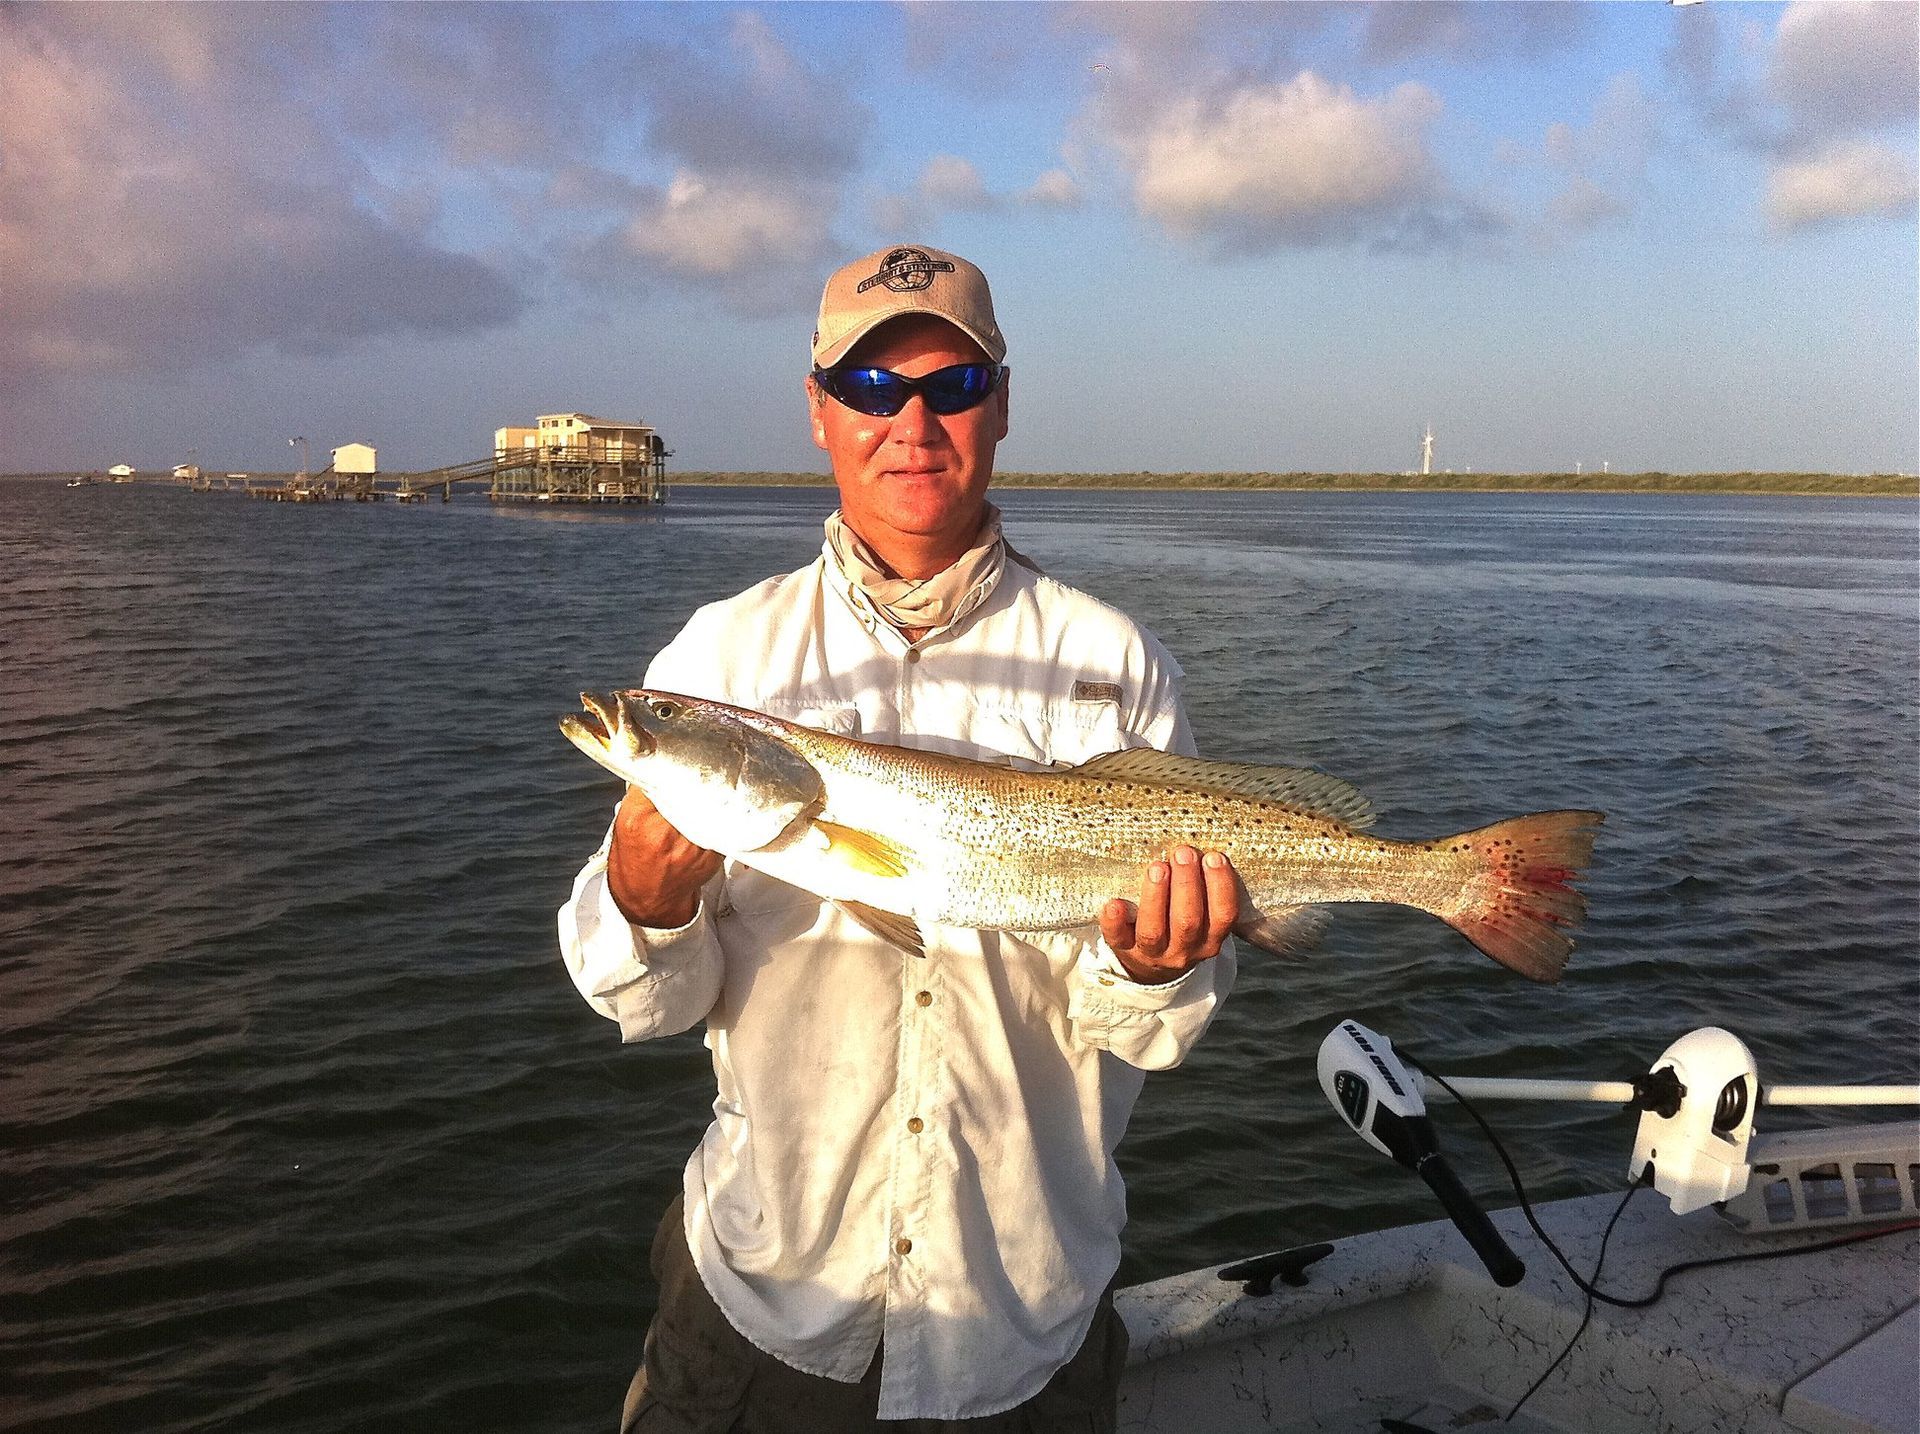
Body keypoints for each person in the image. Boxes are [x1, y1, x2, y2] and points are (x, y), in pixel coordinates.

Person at [558, 244, 1239, 1433]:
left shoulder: (1118, 663)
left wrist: (1154, 965)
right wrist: (644, 903)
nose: (911, 422)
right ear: (819, 411)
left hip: (1022, 1318)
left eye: (952, 387)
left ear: (1004, 405)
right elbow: (643, 1007)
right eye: (873, 389)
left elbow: (1149, 1033)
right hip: (771, 1299)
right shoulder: (722, 659)